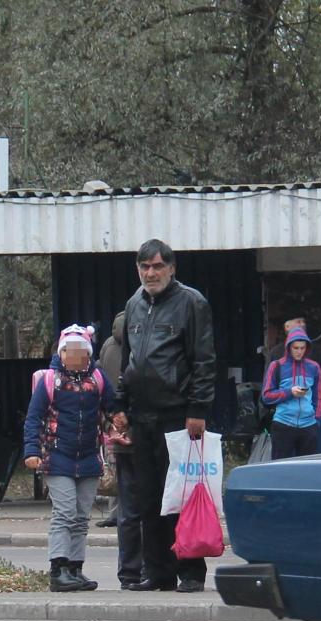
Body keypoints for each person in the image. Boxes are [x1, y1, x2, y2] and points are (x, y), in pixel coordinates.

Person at [117, 239, 216, 593]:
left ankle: (189, 570)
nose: (151, 273)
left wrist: (197, 409)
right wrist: (120, 405)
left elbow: (204, 360)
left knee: (182, 496)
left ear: (172, 268)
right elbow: (128, 361)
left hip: (178, 415)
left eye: (158, 266)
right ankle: (157, 572)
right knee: (149, 498)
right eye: (145, 267)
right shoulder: (133, 303)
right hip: (141, 416)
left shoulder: (191, 302)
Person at [24, 326, 116, 592]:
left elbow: (112, 406)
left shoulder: (98, 379)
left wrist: (120, 417)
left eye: (80, 351)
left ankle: (75, 569)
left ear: (88, 354)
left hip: (89, 458)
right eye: (68, 350)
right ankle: (58, 570)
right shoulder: (50, 380)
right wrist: (32, 451)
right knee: (64, 514)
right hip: (57, 458)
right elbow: (33, 419)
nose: (74, 355)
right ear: (61, 353)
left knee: (81, 517)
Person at [98, 312, 142, 584]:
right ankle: (147, 568)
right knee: (149, 505)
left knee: (126, 503)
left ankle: (128, 573)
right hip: (140, 430)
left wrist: (108, 419)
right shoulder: (142, 348)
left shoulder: (106, 347)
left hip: (117, 427)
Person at [261, 320, 321, 459]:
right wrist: (290, 392)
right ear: (288, 347)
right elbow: (266, 395)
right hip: (283, 423)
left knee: (307, 470)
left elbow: (319, 397)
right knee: (280, 470)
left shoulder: (314, 367)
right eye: (296, 348)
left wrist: (317, 420)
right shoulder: (276, 366)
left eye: (302, 348)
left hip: (309, 425)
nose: (299, 352)